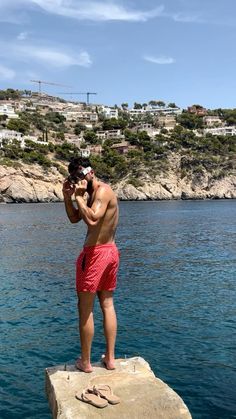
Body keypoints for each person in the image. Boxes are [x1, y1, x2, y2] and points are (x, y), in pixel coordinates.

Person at [62, 157, 119, 373]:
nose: (80, 180)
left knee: (85, 309)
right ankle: (110, 359)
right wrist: (68, 198)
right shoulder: (90, 194)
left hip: (95, 255)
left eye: (82, 175)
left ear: (91, 171)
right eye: (76, 178)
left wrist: (78, 198)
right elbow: (74, 218)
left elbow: (93, 219)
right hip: (110, 253)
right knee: (107, 303)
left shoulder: (103, 191)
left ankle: (85, 362)